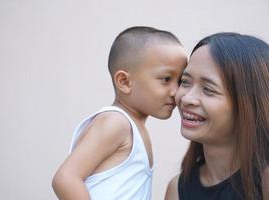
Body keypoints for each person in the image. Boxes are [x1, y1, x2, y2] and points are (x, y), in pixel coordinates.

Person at [52, 26, 188, 200]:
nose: (175, 91)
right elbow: (65, 178)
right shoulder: (116, 122)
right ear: (124, 82)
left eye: (180, 81)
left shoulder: (133, 127)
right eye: (166, 80)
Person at [164, 32, 269, 200]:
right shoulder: (177, 189)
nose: (186, 98)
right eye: (185, 82)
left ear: (248, 104)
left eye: (208, 89)